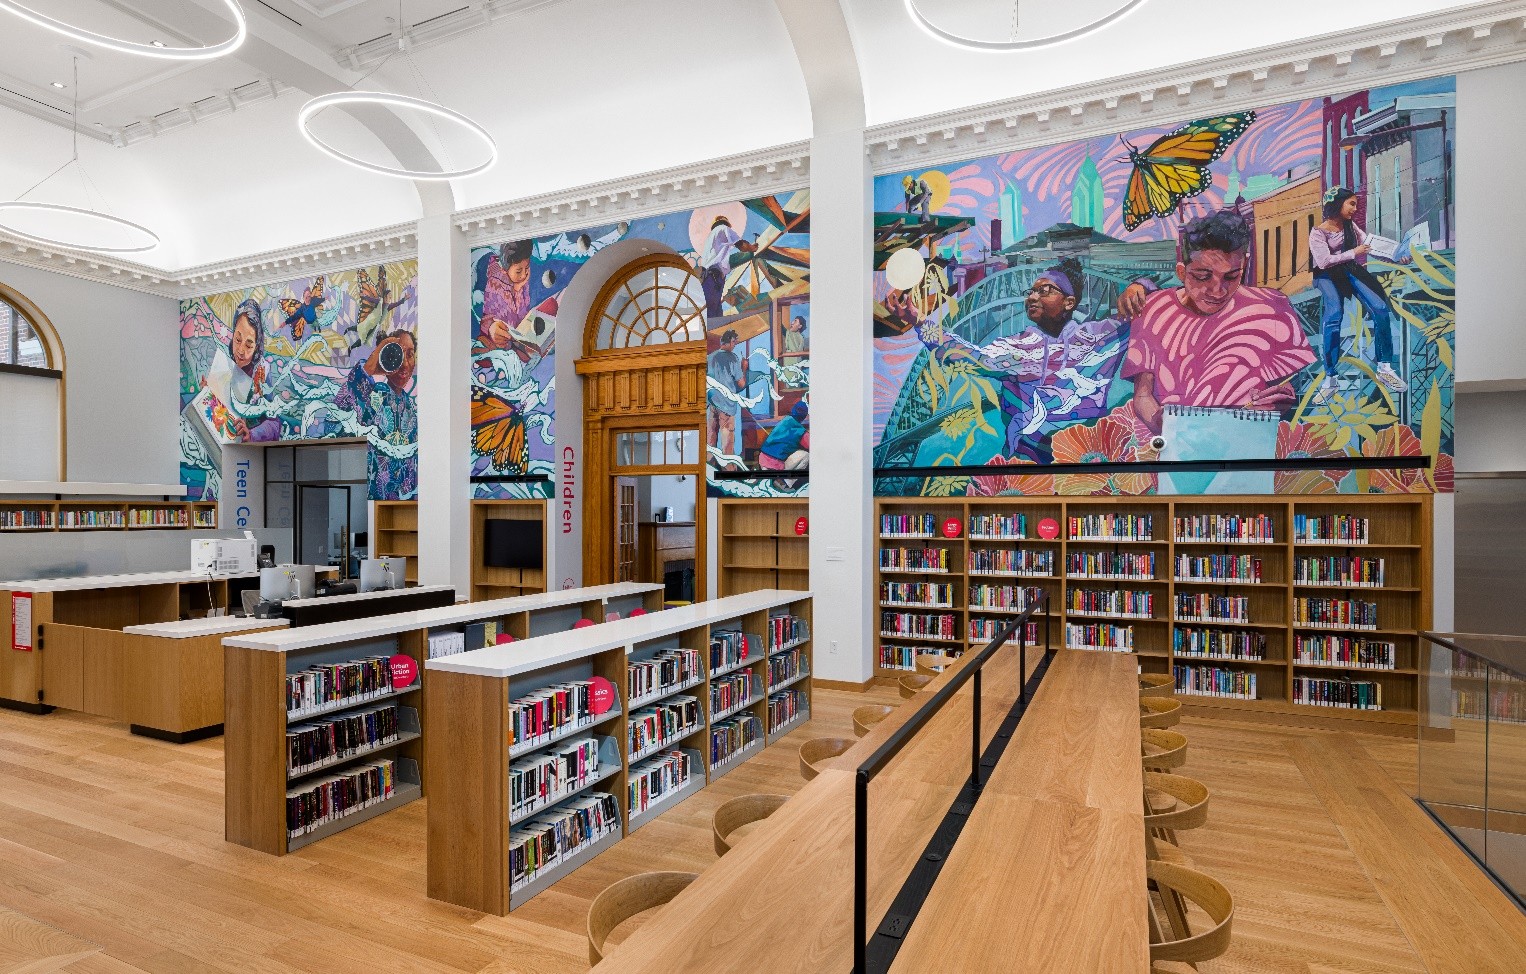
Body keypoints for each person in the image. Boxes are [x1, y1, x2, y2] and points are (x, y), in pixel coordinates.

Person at [915, 257, 1128, 463]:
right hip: (1028, 466)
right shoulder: (1016, 347)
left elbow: (1141, 316)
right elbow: (967, 356)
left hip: (1090, 463)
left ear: (1069, 302)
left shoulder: (1099, 336)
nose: (1032, 298)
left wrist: (1141, 286)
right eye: (1031, 292)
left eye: (1044, 291)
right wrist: (919, 323)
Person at [1123, 209, 1317, 434]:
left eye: (1231, 276)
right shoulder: (1153, 310)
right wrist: (1159, 422)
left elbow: (1286, 385)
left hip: (1248, 437)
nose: (1218, 291)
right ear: (1181, 272)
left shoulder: (1272, 306)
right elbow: (1143, 395)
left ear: (1244, 265)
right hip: (1176, 441)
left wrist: (1281, 400)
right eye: (1202, 276)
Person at [1310, 186, 1408, 402]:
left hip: (1349, 270)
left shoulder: (1350, 225)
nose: (1355, 208)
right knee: (1334, 315)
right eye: (1351, 204)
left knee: (1380, 308)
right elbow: (1324, 261)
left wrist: (1397, 256)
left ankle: (1384, 367)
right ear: (1337, 204)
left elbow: (1370, 246)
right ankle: (1330, 378)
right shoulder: (1318, 233)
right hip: (1327, 276)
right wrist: (1353, 252)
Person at [479, 240, 532, 349]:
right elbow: (487, 319)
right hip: (500, 342)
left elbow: (523, 314)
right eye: (518, 271)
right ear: (504, 270)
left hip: (517, 339)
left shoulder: (521, 280)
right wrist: (491, 328)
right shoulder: (495, 285)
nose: (523, 275)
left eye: (527, 268)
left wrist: (518, 289)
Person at [699, 216, 755, 318]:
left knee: (711, 308)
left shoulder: (710, 237)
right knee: (713, 309)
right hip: (714, 274)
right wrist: (752, 248)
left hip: (706, 275)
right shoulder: (724, 229)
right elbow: (742, 245)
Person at [706, 329, 747, 457]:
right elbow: (741, 384)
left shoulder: (709, 357)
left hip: (712, 402)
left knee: (710, 438)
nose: (735, 345)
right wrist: (744, 368)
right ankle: (729, 468)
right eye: (734, 343)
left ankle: (709, 465)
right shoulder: (733, 358)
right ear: (729, 342)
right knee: (727, 442)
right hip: (727, 405)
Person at [759, 400, 809, 471]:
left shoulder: (784, 420)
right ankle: (789, 478)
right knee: (806, 455)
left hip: (763, 460)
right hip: (776, 465)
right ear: (804, 415)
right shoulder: (800, 430)